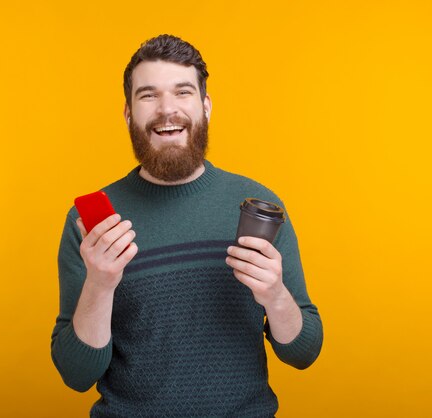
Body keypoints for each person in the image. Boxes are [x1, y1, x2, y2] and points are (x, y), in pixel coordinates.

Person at [51, 34, 323, 417]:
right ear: (128, 113)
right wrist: (100, 284)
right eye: (148, 96)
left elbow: (303, 352)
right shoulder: (93, 224)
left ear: (205, 106)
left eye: (182, 92)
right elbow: (76, 373)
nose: (167, 110)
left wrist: (275, 295)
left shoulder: (260, 205)